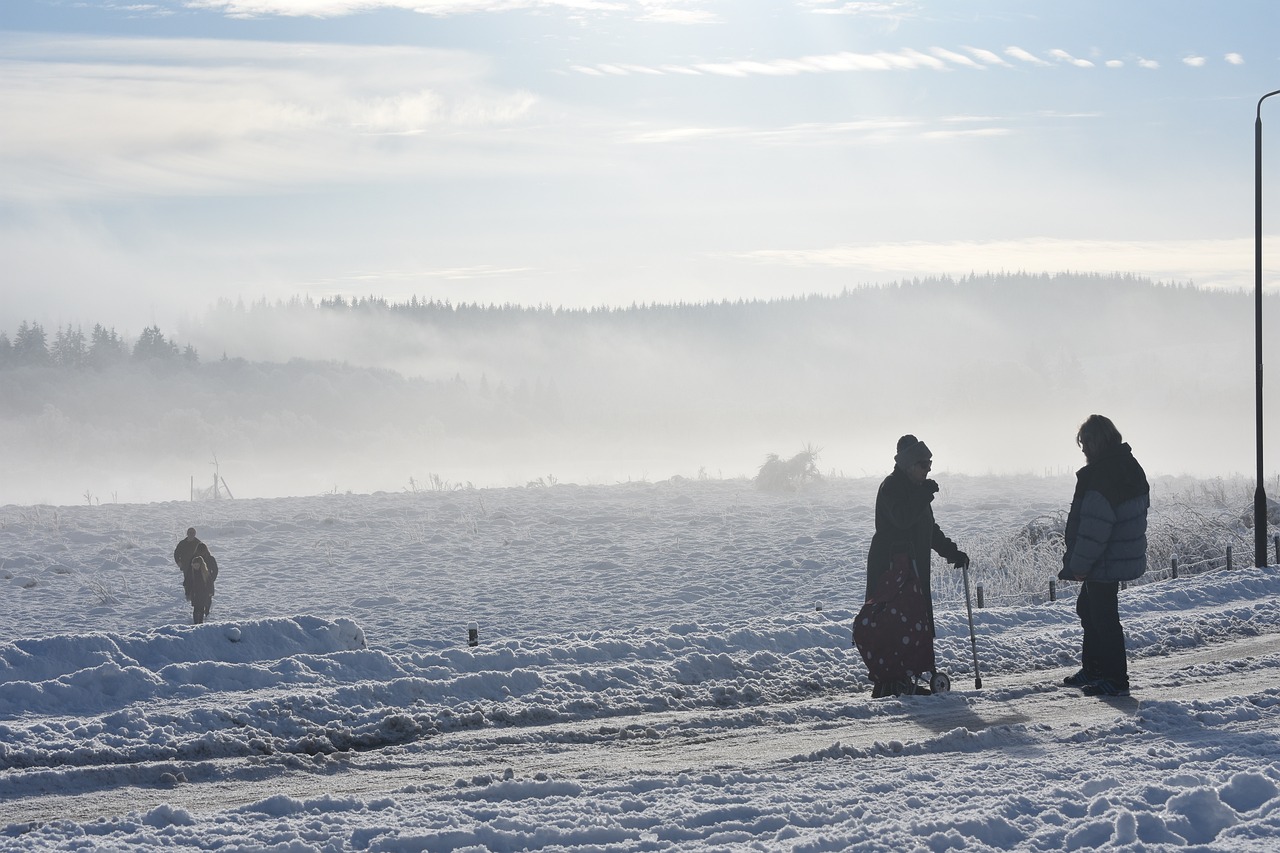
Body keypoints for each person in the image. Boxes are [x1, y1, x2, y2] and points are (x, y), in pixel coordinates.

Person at [863, 435, 969, 697]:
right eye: (923, 464)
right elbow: (902, 519)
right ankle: (890, 680)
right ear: (909, 464)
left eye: (929, 463)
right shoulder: (891, 487)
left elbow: (928, 529)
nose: (928, 469)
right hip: (890, 570)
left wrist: (952, 552)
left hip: (913, 569)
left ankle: (906, 676)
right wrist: (924, 495)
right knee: (893, 620)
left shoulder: (916, 490)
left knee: (912, 620)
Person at [1059, 414, 1150, 697]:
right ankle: (1095, 668)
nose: (1083, 449)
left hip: (1104, 558)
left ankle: (1114, 678)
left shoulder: (1104, 474)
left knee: (1104, 617)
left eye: (1085, 442)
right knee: (1089, 610)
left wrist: (1081, 565)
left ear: (1097, 442)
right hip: (1115, 553)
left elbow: (1095, 528)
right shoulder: (1125, 465)